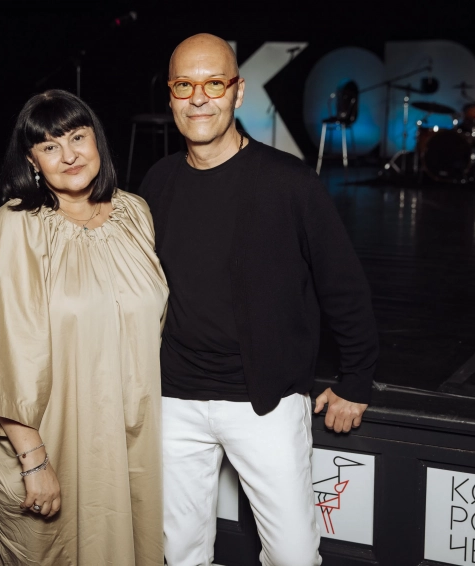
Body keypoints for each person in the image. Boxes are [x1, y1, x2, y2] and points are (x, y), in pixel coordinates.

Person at [137, 34, 379, 565]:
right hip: (174, 402)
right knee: (179, 555)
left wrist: (356, 379)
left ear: (238, 91)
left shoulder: (290, 182)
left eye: (214, 83)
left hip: (264, 404)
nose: (199, 99)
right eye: (185, 86)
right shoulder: (157, 182)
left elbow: (343, 285)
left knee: (294, 557)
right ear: (171, 96)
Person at [0, 89, 168, 565]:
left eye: (78, 137)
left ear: (97, 140)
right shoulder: (16, 228)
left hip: (132, 438)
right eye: (50, 146)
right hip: (53, 441)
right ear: (32, 160)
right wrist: (34, 462)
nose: (70, 155)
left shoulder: (135, 213)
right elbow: (3, 356)